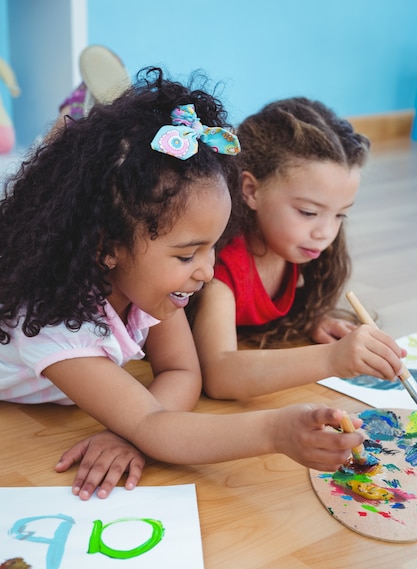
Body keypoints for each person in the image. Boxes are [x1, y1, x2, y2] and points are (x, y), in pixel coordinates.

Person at [0, 70, 366, 501]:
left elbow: (181, 372)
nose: (208, 272)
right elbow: (156, 425)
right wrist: (275, 430)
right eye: (187, 254)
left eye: (214, 247)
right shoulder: (57, 324)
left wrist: (133, 432)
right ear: (107, 248)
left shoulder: (148, 290)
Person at [189, 97, 406, 400]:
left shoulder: (292, 246)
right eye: (308, 212)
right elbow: (219, 374)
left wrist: (311, 318)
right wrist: (333, 358)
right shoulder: (221, 270)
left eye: (340, 214)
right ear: (250, 190)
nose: (326, 232)